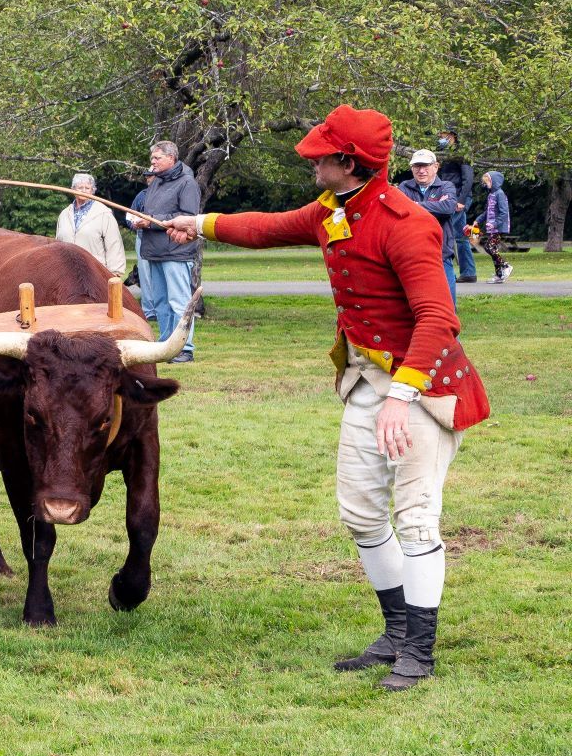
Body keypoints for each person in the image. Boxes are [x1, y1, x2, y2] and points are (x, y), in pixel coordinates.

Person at [163, 104, 486, 692]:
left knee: (415, 520)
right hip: (367, 381)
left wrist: (401, 398)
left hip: (423, 387)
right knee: (362, 513)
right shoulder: (333, 210)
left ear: (349, 161)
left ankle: (420, 652)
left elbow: (439, 318)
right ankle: (394, 633)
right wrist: (200, 222)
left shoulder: (406, 222)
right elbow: (268, 228)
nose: (310, 161)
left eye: (320, 155)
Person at [124, 141, 201, 363]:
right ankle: (167, 345)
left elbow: (187, 217)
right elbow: (150, 213)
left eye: (157, 158)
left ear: (171, 158)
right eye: (152, 158)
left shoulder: (187, 183)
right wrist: (140, 221)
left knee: (179, 302)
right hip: (153, 251)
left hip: (176, 252)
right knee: (160, 302)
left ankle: (184, 348)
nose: (153, 162)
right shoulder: (155, 183)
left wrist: (152, 223)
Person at [397, 150, 464, 305]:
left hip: (441, 254)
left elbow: (448, 208)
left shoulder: (446, 186)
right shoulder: (404, 187)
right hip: (411, 255)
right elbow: (399, 210)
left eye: (426, 166)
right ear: (412, 168)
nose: (421, 170)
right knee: (413, 305)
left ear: (436, 166)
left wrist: (414, 206)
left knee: (447, 305)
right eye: (417, 166)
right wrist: (435, 207)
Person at [55, 173, 126, 276]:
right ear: (72, 189)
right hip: (67, 271)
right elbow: (57, 244)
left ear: (92, 191)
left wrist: (115, 273)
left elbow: (114, 244)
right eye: (80, 187)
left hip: (95, 272)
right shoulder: (64, 214)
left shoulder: (104, 213)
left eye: (87, 188)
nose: (83, 191)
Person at [435, 130, 477, 283]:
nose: (440, 139)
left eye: (443, 136)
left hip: (458, 198)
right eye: (439, 136)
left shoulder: (462, 154)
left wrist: (461, 200)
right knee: (461, 237)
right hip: (450, 198)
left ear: (452, 136)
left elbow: (468, 179)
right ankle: (469, 272)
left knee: (445, 232)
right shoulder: (443, 154)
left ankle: (445, 273)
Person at [475, 170, 514, 283]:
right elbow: (487, 212)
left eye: (487, 181)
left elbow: (504, 213)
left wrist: (495, 223)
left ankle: (506, 266)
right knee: (492, 249)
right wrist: (477, 220)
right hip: (492, 227)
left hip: (499, 227)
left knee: (489, 247)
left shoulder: (500, 194)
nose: (485, 184)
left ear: (494, 181)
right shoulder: (491, 195)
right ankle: (499, 275)